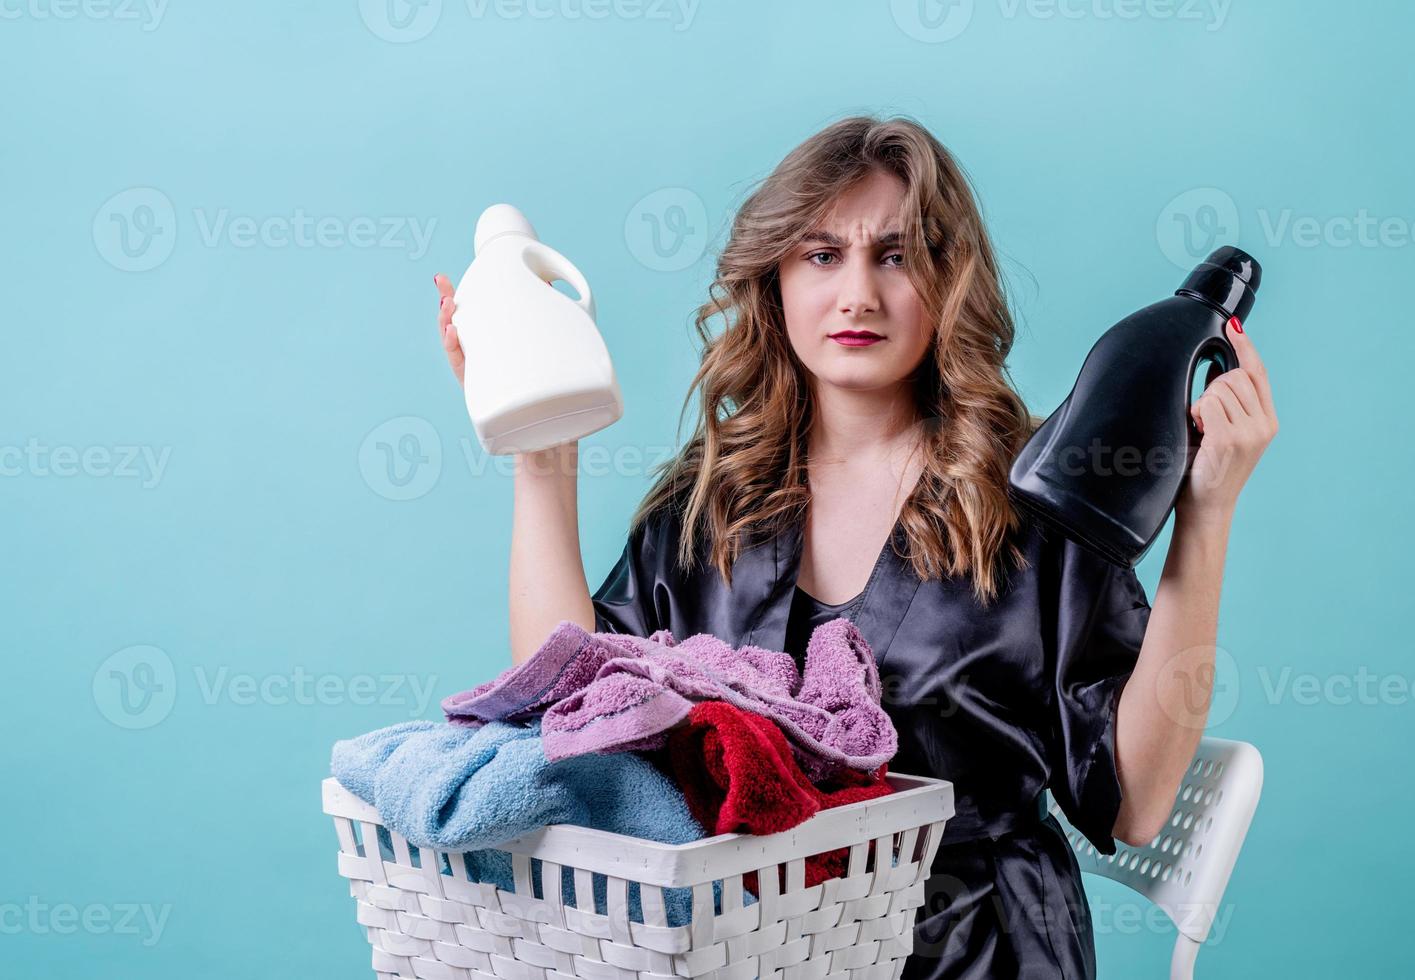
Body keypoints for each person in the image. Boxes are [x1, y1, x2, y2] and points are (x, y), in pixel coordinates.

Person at [431, 115, 1277, 979]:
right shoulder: (712, 502)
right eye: (821, 255)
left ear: (950, 283)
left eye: (897, 256)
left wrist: (1203, 519)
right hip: (751, 945)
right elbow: (573, 711)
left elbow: (1134, 806)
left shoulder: (1032, 501)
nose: (858, 296)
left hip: (976, 945)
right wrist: (541, 457)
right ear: (776, 283)